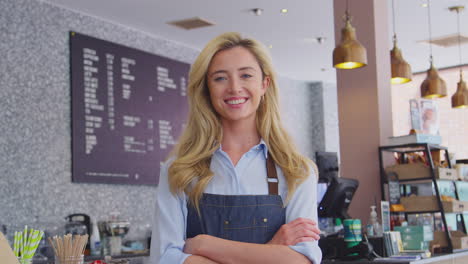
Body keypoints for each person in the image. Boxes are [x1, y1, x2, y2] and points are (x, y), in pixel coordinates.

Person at [150, 32, 322, 264]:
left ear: (264, 84)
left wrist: (204, 245)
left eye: (246, 75)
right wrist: (272, 250)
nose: (234, 87)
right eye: (220, 78)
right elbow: (165, 258)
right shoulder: (177, 171)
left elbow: (301, 261)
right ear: (206, 89)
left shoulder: (297, 171)